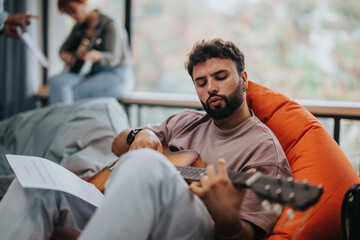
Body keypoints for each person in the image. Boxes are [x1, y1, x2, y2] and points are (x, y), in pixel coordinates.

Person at [0, 38, 292, 240]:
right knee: (33, 185)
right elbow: (118, 143)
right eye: (201, 83)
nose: (211, 88)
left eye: (220, 77)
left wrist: (227, 217)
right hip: (124, 205)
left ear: (243, 79)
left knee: (146, 165)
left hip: (193, 229)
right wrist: (143, 134)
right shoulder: (186, 120)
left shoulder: (263, 150)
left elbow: (246, 235)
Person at [48, 0, 134, 104]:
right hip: (94, 74)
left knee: (66, 94)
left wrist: (93, 56)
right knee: (55, 82)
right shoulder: (79, 27)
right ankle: (62, 118)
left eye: (73, 11)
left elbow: (113, 58)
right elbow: (63, 49)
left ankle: (63, 119)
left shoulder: (109, 23)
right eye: (68, 13)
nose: (72, 16)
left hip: (117, 76)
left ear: (83, 3)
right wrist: (65, 55)